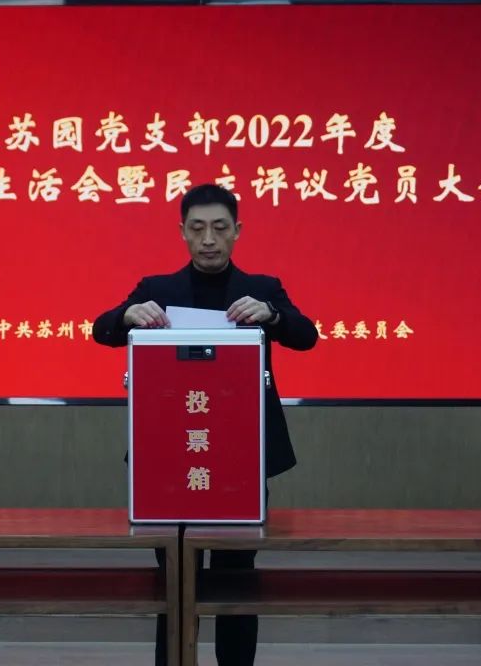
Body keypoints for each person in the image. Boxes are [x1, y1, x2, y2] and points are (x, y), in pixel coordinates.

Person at [92, 183, 318, 665]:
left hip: (241, 459)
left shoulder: (263, 289)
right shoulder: (157, 290)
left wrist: (273, 315)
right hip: (170, 461)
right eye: (197, 229)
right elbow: (101, 329)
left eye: (219, 228)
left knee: (238, 585)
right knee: (175, 584)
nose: (208, 239)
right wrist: (128, 314)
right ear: (182, 232)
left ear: (238, 231)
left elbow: (306, 336)